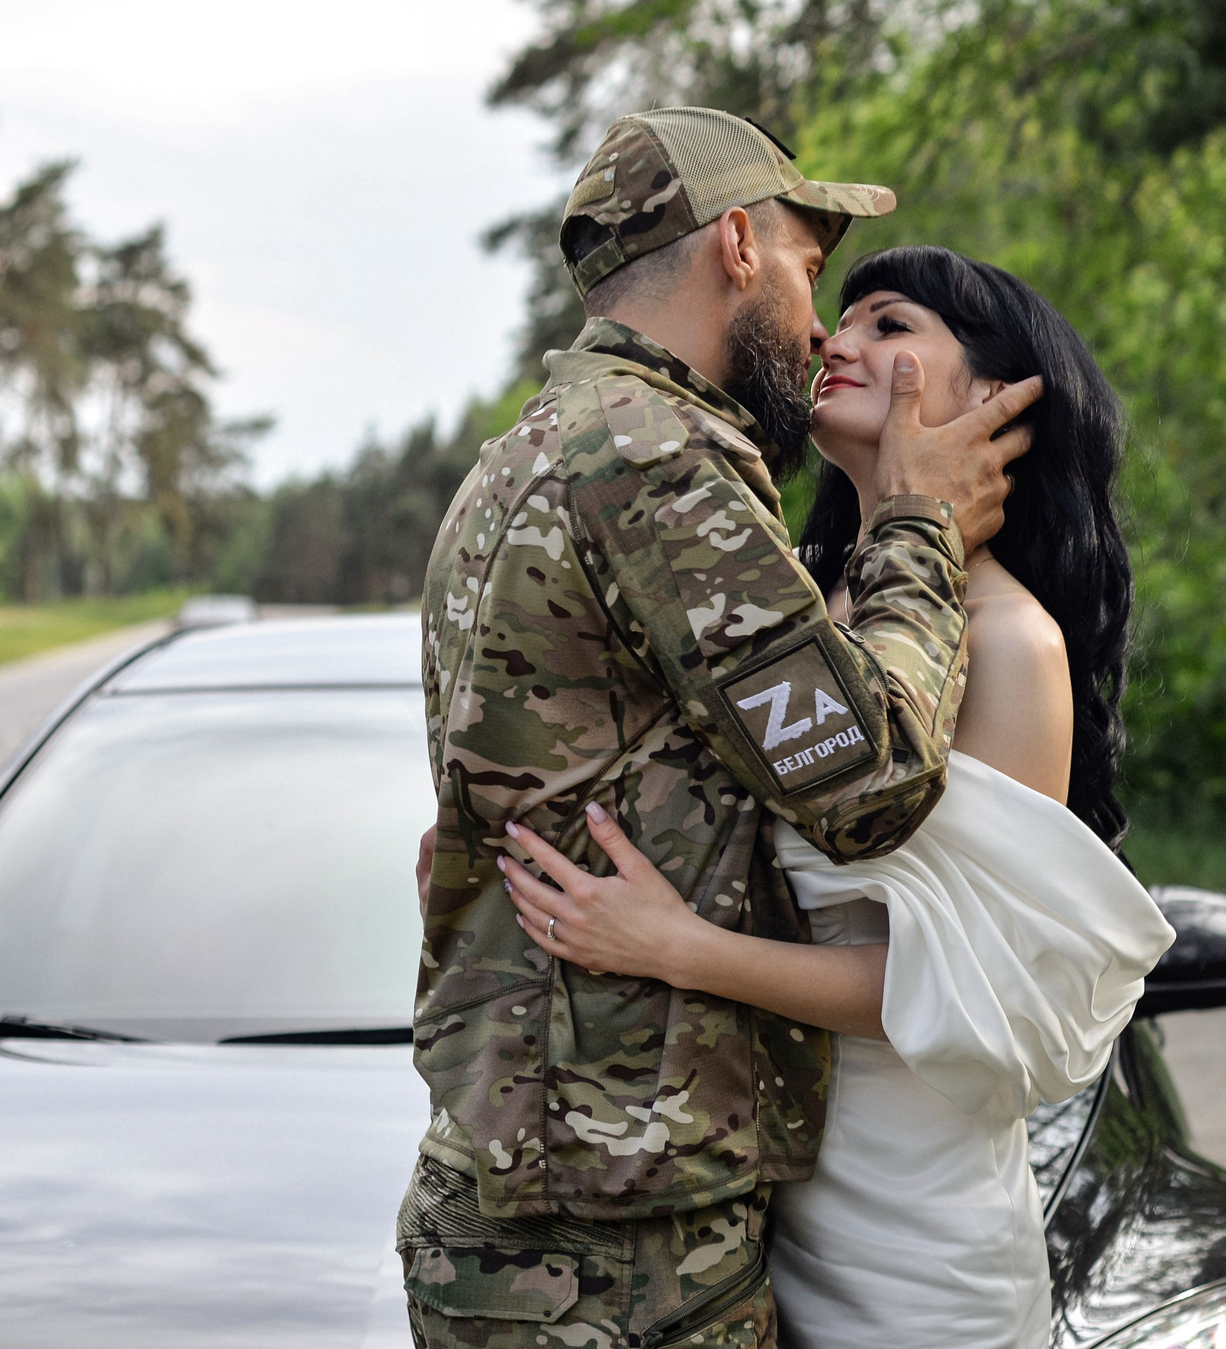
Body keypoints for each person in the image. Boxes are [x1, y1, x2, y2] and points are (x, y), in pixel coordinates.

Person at [403, 109, 1041, 1348]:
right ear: (738, 243)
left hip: (532, 1199)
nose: (819, 328)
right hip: (615, 1239)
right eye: (813, 269)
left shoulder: (525, 449)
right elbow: (873, 782)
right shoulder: (656, 456)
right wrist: (918, 522)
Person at [498, 246, 1174, 1349]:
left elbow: (957, 990)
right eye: (838, 314)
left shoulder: (1012, 644)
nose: (832, 339)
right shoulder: (791, 615)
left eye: (889, 324)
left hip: (911, 1229)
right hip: (741, 1207)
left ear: (1002, 401)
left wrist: (681, 948)